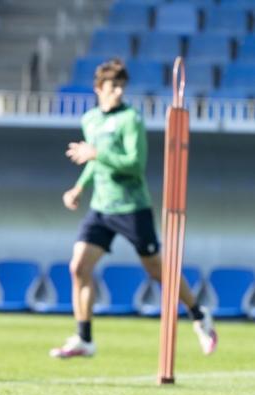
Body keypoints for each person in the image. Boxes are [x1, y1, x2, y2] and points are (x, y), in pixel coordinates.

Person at [50, 58, 217, 359]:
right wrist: (79, 187)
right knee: (78, 267)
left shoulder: (131, 119)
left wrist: (95, 152)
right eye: (112, 87)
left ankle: (198, 313)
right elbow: (93, 161)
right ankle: (84, 338)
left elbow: (134, 164)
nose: (117, 93)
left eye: (121, 87)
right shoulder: (90, 119)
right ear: (98, 88)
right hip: (101, 208)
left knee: (157, 271)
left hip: (132, 207)